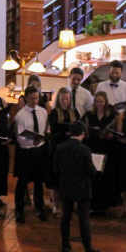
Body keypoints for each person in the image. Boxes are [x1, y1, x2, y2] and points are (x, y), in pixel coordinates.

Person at [53, 121, 101, 252]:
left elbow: (55, 169)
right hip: (82, 188)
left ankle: (65, 246)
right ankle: (88, 251)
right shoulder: (84, 149)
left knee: (66, 217)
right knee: (83, 219)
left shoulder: (60, 147)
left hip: (66, 187)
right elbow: (92, 171)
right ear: (83, 134)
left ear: (70, 132)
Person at [13, 85, 49, 223]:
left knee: (39, 181)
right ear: (26, 97)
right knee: (22, 182)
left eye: (36, 98)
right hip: (25, 152)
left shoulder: (43, 112)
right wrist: (31, 141)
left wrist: (40, 140)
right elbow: (19, 136)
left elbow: (45, 129)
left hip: (39, 151)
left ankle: (39, 207)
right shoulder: (20, 115)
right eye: (32, 98)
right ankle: (19, 210)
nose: (35, 101)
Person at [47, 86, 81, 217]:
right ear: (58, 100)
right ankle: (56, 205)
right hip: (57, 147)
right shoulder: (54, 112)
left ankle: (68, 205)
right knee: (55, 178)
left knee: (69, 178)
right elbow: (53, 131)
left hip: (71, 149)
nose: (65, 102)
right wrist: (65, 132)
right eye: (62, 99)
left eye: (67, 99)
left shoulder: (75, 112)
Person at [83, 90, 120, 213]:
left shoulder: (111, 116)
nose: (99, 104)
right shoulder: (89, 114)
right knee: (93, 176)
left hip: (106, 148)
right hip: (92, 147)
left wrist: (110, 135)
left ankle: (103, 206)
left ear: (106, 102)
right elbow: (83, 129)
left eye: (101, 102)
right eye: (97, 101)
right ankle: (92, 205)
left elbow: (116, 132)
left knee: (104, 177)